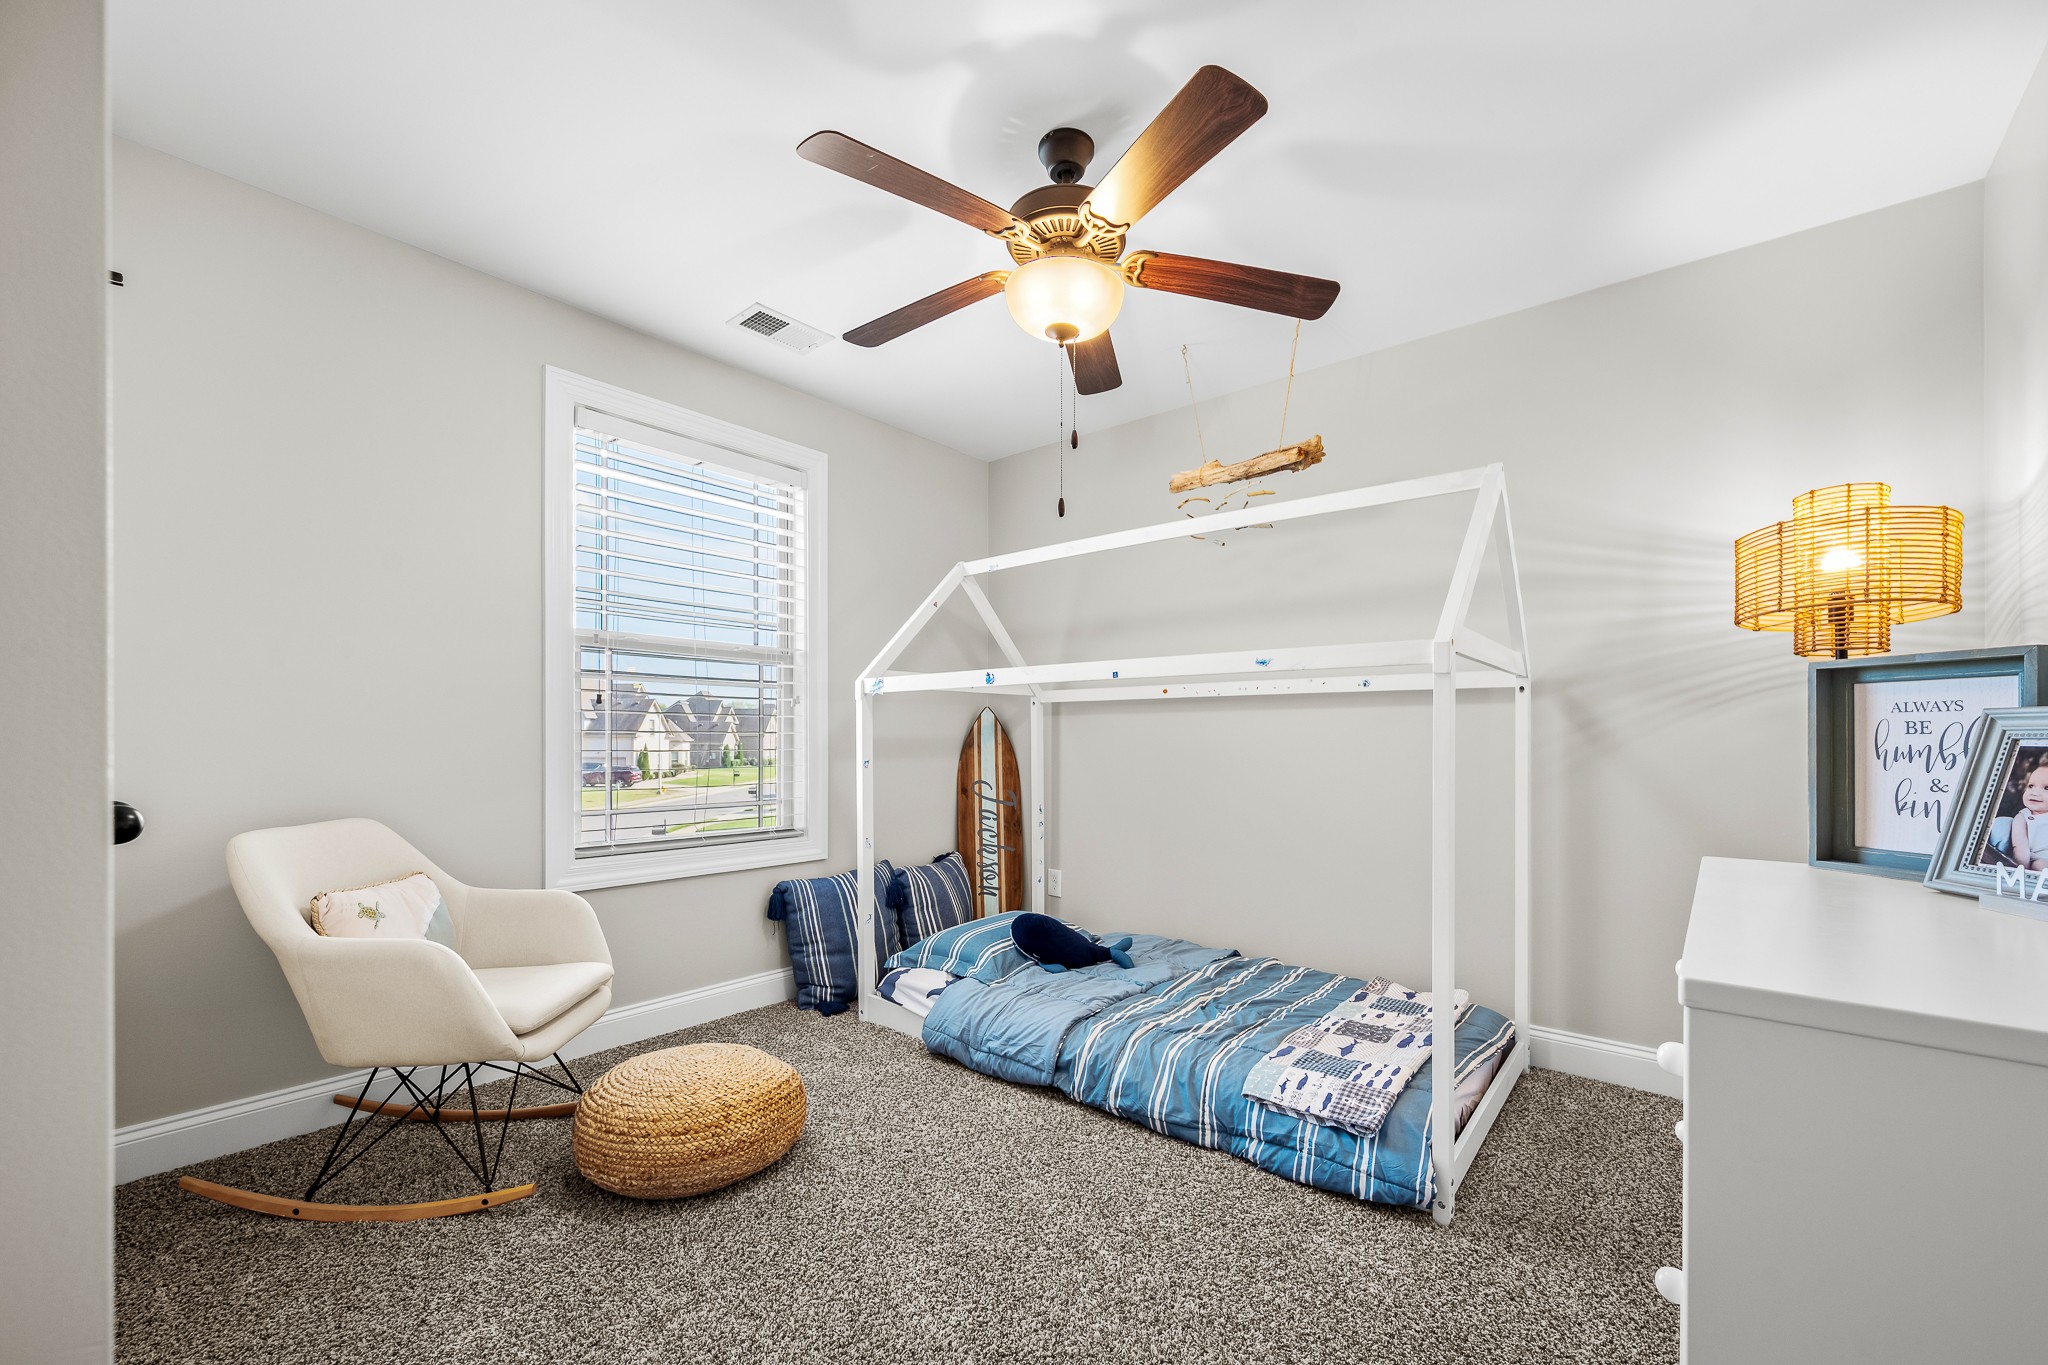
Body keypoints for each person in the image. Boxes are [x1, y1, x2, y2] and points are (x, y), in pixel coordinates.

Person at [1996, 755, 2048, 872]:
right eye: (2031, 786)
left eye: (2047, 788)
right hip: (2041, 860)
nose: (2034, 792)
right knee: (2040, 866)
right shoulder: (2023, 817)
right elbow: (2020, 847)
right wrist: (2022, 870)